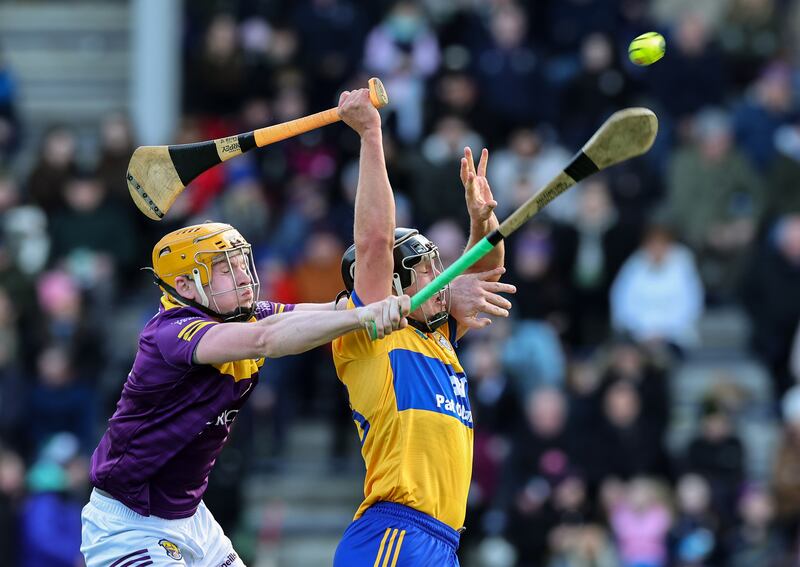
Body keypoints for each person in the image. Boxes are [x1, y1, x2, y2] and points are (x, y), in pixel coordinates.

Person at [80, 221, 412, 567]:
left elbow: (314, 313)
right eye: (224, 269)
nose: (242, 276)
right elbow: (265, 338)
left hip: (192, 517)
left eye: (240, 263)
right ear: (184, 286)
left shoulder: (244, 315)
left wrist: (383, 304)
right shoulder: (169, 332)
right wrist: (361, 316)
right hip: (130, 522)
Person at [332, 87, 515, 565]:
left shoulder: (439, 337)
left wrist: (482, 220)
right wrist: (372, 134)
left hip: (443, 540)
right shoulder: (371, 330)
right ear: (391, 283)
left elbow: (486, 272)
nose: (442, 279)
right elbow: (373, 242)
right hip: (394, 533)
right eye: (427, 270)